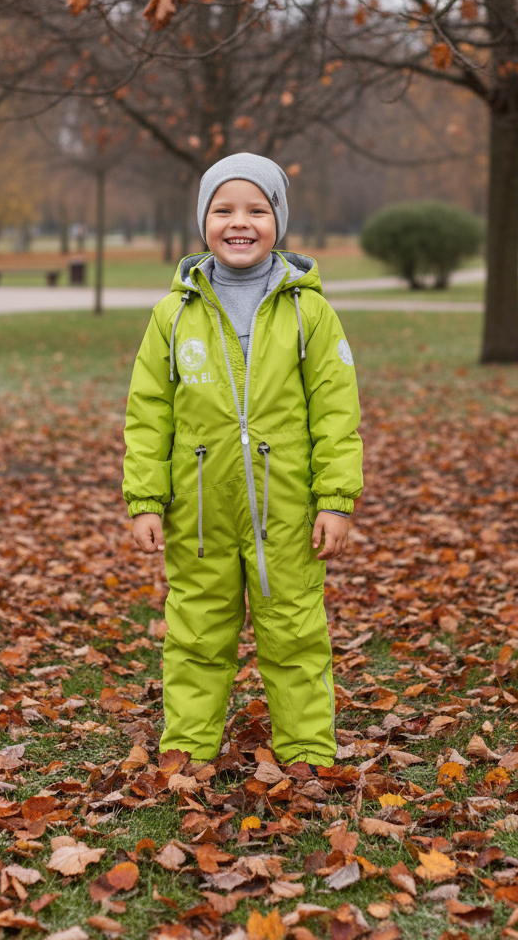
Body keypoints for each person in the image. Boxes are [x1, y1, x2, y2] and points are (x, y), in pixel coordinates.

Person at [122, 153, 363, 766]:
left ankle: (307, 751)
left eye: (257, 209)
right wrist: (145, 499)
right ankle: (188, 748)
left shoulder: (308, 310)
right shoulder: (174, 314)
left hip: (286, 507)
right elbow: (148, 411)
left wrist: (336, 499)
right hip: (199, 511)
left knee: (295, 632)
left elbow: (337, 413)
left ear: (278, 220)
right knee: (197, 630)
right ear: (203, 219)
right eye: (223, 208)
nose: (240, 222)